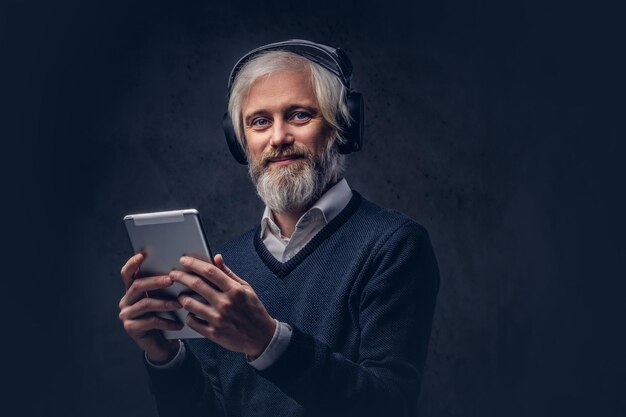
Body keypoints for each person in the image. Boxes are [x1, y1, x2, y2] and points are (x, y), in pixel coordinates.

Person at [118, 39, 440, 417]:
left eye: (300, 115)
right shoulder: (222, 270)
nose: (278, 137)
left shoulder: (394, 244)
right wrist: (166, 358)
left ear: (341, 127)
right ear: (240, 143)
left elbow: (389, 405)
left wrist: (267, 341)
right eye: (259, 122)